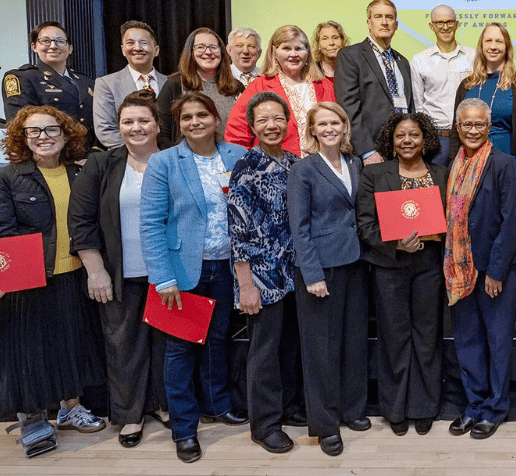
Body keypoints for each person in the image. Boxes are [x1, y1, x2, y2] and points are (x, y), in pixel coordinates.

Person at [0, 106, 105, 458]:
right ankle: (32, 419)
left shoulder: (81, 175)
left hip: (74, 277)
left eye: (52, 129)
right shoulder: (4, 179)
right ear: (22, 139)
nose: (44, 137)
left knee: (70, 347)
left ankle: (69, 408)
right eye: (34, 132)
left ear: (66, 135)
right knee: (28, 354)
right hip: (26, 283)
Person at [140, 92, 248, 463]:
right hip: (183, 272)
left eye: (202, 115)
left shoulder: (236, 156)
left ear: (216, 119)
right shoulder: (163, 163)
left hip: (226, 268)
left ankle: (218, 405)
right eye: (187, 117)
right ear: (179, 123)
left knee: (218, 340)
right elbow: (151, 223)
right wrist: (163, 277)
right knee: (181, 350)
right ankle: (184, 429)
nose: (195, 122)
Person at [68, 92, 167, 448]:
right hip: (119, 273)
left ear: (157, 125)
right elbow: (80, 221)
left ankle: (163, 405)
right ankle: (129, 415)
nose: (136, 128)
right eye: (128, 122)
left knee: (167, 343)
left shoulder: (174, 161)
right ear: (119, 127)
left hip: (167, 274)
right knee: (123, 345)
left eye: (143, 121)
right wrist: (96, 271)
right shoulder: (102, 164)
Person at [355, 112, 448, 436]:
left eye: (414, 135)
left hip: (430, 265)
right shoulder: (375, 174)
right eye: (400, 136)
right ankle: (394, 408)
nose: (407, 141)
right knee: (393, 338)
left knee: (427, 337)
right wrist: (396, 245)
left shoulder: (441, 174)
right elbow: (365, 224)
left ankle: (424, 407)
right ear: (390, 142)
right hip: (389, 266)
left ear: (426, 140)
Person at [287, 102, 370, 457]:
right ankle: (324, 425)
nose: (330, 128)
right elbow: (299, 228)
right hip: (321, 269)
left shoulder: (356, 163)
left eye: (335, 122)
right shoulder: (303, 169)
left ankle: (352, 410)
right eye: (322, 123)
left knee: (353, 342)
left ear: (344, 126)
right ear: (313, 129)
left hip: (355, 263)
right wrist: (312, 274)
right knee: (321, 349)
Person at [226, 92, 303, 454]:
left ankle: (286, 408)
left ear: (288, 122)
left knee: (288, 346)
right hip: (262, 277)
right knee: (264, 351)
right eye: (263, 120)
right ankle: (264, 424)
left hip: (293, 273)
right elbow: (238, 233)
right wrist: (246, 286)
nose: (271, 125)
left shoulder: (293, 162)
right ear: (253, 126)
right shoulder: (246, 166)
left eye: (277, 118)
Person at [445, 98, 516, 441]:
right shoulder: (453, 164)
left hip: (495, 270)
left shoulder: (503, 164)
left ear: (489, 127)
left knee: (496, 341)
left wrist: (496, 271)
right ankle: (474, 405)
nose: (473, 130)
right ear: (457, 127)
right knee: (467, 340)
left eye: (480, 124)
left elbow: (512, 221)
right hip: (459, 270)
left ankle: (495, 408)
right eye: (467, 124)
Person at [453, 22, 516, 189]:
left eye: (499, 42)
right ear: (481, 46)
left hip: (512, 161)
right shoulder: (467, 85)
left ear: (506, 47)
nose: (493, 47)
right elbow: (455, 130)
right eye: (488, 41)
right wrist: (453, 166)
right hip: (471, 162)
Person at [225, 24, 334, 156]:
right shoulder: (259, 86)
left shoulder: (325, 85)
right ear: (274, 52)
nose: (293, 54)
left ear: (307, 52)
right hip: (274, 168)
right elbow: (237, 133)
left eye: (299, 48)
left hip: (322, 165)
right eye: (286, 48)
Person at [336, 0, 417, 164]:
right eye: (378, 17)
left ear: (396, 24)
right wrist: (367, 151)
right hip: (372, 153)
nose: (384, 22)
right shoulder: (351, 56)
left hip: (404, 150)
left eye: (389, 17)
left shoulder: (402, 61)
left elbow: (410, 107)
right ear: (369, 23)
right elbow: (348, 107)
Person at [2, 21, 98, 149]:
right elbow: (20, 125)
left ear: (70, 48)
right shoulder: (22, 78)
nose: (53, 46)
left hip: (90, 157)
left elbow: (101, 122)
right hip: (48, 155)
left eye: (60, 41)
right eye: (46, 41)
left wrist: (96, 152)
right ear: (34, 46)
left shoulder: (87, 82)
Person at [156, 28, 245, 147]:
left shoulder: (236, 87)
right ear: (191, 52)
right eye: (201, 47)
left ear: (222, 52)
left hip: (229, 160)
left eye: (213, 47)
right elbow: (162, 131)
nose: (208, 52)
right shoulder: (175, 84)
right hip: (185, 161)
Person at [410, 5, 474, 163]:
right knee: (437, 187)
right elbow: (418, 105)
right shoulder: (420, 60)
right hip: (437, 140)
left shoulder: (474, 56)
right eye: (440, 23)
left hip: (468, 137)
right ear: (432, 26)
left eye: (449, 22)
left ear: (457, 24)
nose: (445, 27)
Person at [94, 20, 168, 148]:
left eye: (144, 43)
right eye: (130, 43)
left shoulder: (171, 82)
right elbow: (106, 131)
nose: (137, 48)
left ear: (156, 50)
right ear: (123, 50)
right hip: (127, 158)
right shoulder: (106, 84)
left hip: (169, 157)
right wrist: (141, 150)